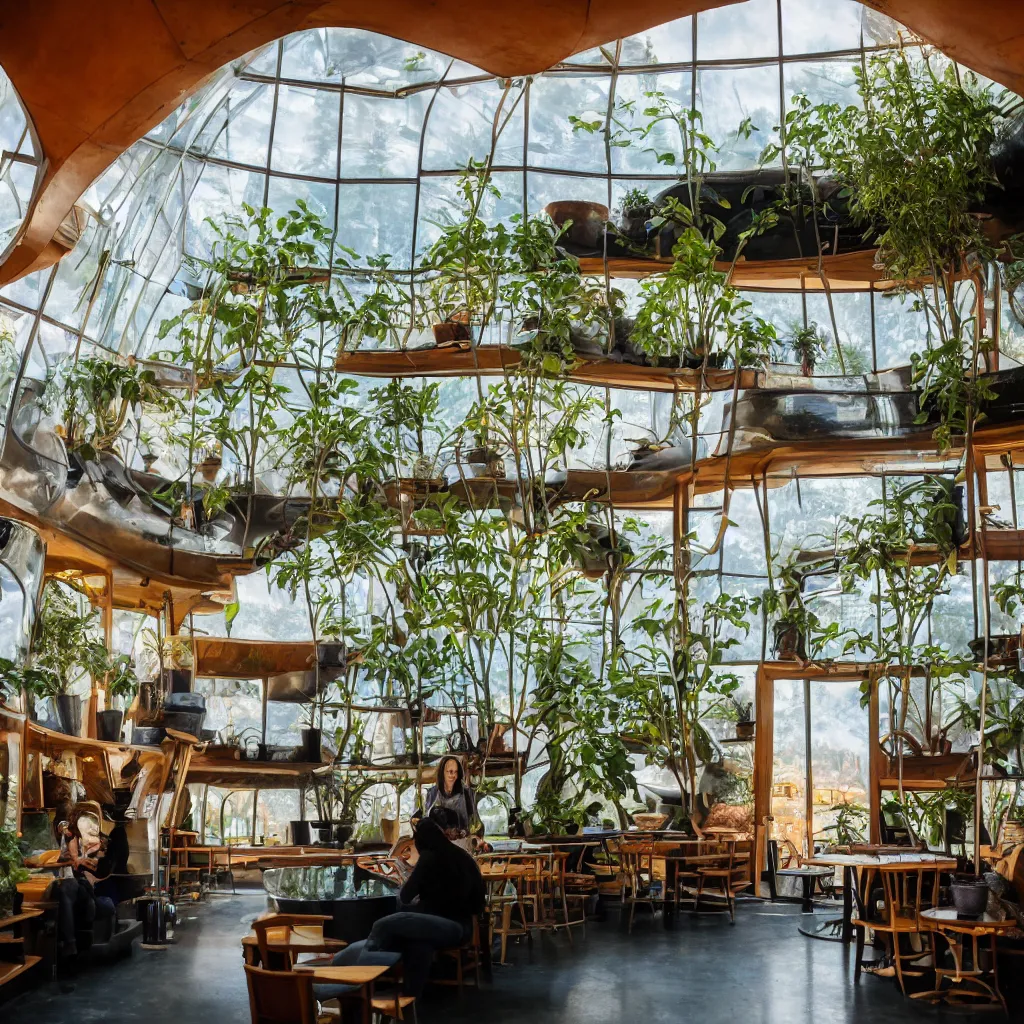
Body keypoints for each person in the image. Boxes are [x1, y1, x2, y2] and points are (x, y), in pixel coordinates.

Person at [345, 818, 485, 997]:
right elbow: (479, 902)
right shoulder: (463, 857)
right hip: (463, 929)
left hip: (445, 925)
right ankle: (410, 998)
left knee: (385, 924)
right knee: (419, 943)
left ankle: (358, 980)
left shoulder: (429, 857)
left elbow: (404, 896)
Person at [54, 818, 98, 958]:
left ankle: (70, 943)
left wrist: (77, 861)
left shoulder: (89, 840)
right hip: (69, 878)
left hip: (81, 882)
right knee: (63, 888)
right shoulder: (68, 837)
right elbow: (62, 826)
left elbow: (91, 867)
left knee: (66, 889)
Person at [424, 755, 476, 835]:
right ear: (442, 772)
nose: (453, 775)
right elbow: (426, 817)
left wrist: (463, 832)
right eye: (450, 771)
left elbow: (473, 821)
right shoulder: (433, 793)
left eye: (456, 772)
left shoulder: (467, 793)